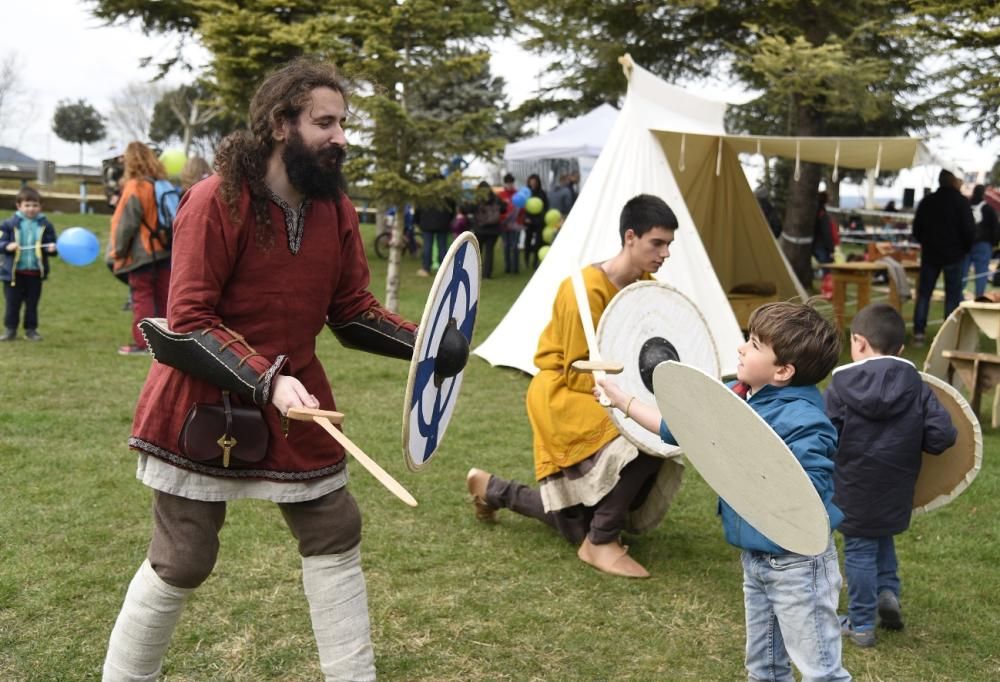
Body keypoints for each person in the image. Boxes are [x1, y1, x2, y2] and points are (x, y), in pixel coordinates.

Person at [102, 59, 422, 682]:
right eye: (324, 123)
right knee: (184, 555)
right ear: (281, 123)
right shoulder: (214, 199)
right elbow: (189, 318)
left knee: (334, 527)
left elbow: (350, 309)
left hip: (298, 396)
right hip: (202, 392)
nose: (341, 137)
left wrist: (428, 343)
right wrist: (269, 381)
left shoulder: (335, 210)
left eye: (343, 123)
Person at [598, 301, 850, 681]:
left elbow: (806, 493)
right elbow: (678, 427)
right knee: (763, 667)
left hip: (798, 565)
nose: (741, 349)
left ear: (783, 370)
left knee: (821, 673)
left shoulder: (805, 420)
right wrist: (622, 400)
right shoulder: (743, 397)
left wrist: (752, 466)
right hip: (758, 557)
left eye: (754, 344)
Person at [466, 194, 684, 579]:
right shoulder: (581, 290)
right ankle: (601, 541)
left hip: (611, 390)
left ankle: (493, 489)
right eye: (657, 243)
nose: (665, 253)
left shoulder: (645, 287)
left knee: (572, 521)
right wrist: (631, 402)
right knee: (646, 440)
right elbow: (576, 370)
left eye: (669, 244)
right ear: (630, 237)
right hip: (564, 391)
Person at [824, 303, 956, 648]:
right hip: (897, 485)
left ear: (858, 342)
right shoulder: (918, 387)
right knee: (882, 538)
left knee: (859, 551)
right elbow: (943, 435)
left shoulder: (839, 387)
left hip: (853, 486)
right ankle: (887, 594)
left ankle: (863, 623)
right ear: (899, 349)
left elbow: (825, 436)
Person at [107, 141, 173, 356]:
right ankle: (167, 341)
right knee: (163, 297)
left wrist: (118, 251)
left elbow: (126, 224)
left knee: (142, 297)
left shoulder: (135, 186)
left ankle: (144, 343)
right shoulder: (161, 183)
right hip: (165, 248)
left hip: (142, 252)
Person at [911, 169, 975, 345]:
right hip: (954, 255)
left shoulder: (928, 201)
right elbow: (969, 231)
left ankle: (919, 333)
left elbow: (916, 230)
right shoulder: (961, 202)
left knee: (924, 294)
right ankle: (948, 336)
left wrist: (927, 242)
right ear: (953, 182)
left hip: (931, 254)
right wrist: (964, 249)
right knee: (952, 296)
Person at [0, 186, 57, 341]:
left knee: (32, 304)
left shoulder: (45, 225)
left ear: (40, 206)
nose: (31, 209)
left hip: (35, 273)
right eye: (27, 205)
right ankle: (10, 330)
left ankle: (31, 330)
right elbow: (0, 242)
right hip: (13, 273)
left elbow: (52, 243)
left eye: (35, 205)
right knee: (12, 303)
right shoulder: (8, 224)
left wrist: (52, 248)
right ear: (19, 206)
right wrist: (6, 246)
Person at [961, 184, 1000, 298]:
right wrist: (993, 243)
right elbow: (995, 227)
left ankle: (958, 296)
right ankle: (980, 297)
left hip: (966, 244)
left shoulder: (966, 206)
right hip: (983, 244)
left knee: (963, 272)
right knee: (981, 274)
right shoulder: (989, 209)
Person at [414, 178, 455, 278]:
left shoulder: (424, 195)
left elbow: (418, 210)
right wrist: (448, 221)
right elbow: (452, 210)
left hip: (427, 224)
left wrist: (418, 222)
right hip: (443, 224)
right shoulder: (447, 195)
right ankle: (444, 270)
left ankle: (426, 268)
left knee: (428, 246)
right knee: (442, 247)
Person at [467, 180, 504, 279]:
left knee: (478, 252)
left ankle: (475, 273)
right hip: (494, 230)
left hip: (480, 229)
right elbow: (504, 208)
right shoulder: (496, 198)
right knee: (489, 252)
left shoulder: (477, 200)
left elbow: (468, 209)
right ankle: (487, 274)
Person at [496, 173, 523, 274]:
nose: (509, 185)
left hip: (515, 224)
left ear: (513, 183)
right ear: (505, 183)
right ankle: (508, 267)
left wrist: (519, 219)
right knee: (506, 246)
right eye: (507, 183)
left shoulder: (518, 194)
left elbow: (522, 209)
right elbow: (498, 210)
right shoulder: (501, 195)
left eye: (511, 183)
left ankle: (515, 268)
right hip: (504, 225)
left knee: (515, 245)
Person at [523, 173, 548, 270]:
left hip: (539, 221)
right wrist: (526, 218)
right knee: (527, 241)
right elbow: (523, 207)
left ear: (538, 182)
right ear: (529, 182)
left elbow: (545, 206)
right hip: (528, 221)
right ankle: (526, 260)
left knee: (538, 242)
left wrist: (541, 218)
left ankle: (535, 262)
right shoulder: (526, 193)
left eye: (535, 181)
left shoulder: (542, 193)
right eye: (531, 181)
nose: (533, 183)